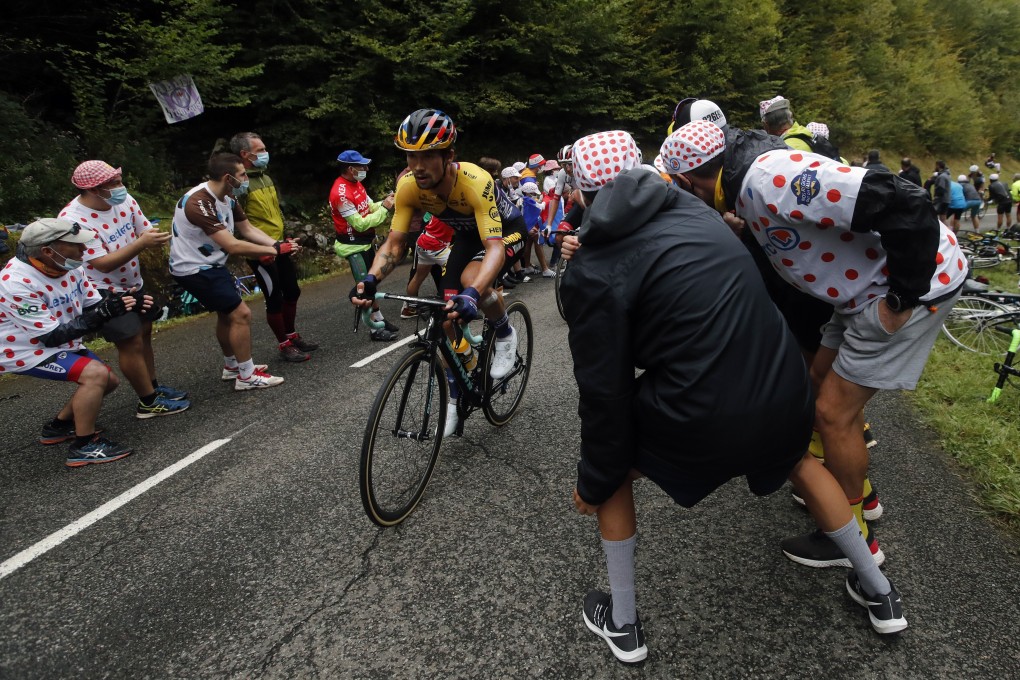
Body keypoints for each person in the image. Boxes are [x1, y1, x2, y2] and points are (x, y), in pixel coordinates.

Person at [564, 131, 908, 666]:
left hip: (703, 410)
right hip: (782, 385)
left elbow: (603, 391)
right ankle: (880, 591)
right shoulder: (697, 211)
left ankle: (624, 623)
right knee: (797, 458)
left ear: (581, 193)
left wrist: (596, 474)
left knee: (612, 466)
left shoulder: (591, 268)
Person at [664, 120, 967, 569]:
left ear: (688, 180)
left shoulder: (769, 179)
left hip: (902, 290)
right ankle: (861, 500)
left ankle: (847, 539)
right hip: (859, 293)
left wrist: (900, 298)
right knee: (815, 383)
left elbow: (903, 199)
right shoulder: (743, 184)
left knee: (832, 413)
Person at [349, 109, 526, 436]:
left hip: (505, 232)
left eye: (428, 155)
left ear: (449, 156)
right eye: (411, 156)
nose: (418, 165)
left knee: (473, 284)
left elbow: (495, 247)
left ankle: (504, 333)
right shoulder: (408, 186)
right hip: (467, 236)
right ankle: (458, 393)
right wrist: (370, 280)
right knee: (445, 319)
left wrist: (472, 295)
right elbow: (395, 242)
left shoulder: (474, 181)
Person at [1, 218, 150, 466]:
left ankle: (59, 426)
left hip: (57, 341)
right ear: (49, 250)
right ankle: (84, 446)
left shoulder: (68, 266)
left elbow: (94, 304)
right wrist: (102, 314)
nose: (84, 250)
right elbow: (51, 336)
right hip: (24, 349)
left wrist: (131, 303)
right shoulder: (15, 283)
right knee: (95, 376)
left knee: (109, 382)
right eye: (77, 245)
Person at [58, 160, 190, 419]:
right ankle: (148, 402)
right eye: (114, 184)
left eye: (119, 181)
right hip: (101, 291)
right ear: (94, 190)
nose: (122, 187)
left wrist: (154, 239)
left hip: (133, 281)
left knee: (144, 333)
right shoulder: (72, 220)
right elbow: (101, 264)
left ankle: (153, 386)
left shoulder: (124, 200)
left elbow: (144, 230)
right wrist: (142, 243)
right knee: (129, 341)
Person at [169, 152, 292, 390]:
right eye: (242, 174)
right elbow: (232, 244)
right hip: (193, 268)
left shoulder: (228, 197)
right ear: (228, 177)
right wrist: (274, 250)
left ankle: (232, 366)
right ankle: (246, 376)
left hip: (211, 265)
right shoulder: (199, 203)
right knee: (241, 314)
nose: (246, 178)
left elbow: (247, 229)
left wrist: (275, 245)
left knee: (227, 315)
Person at [230, 132, 318, 362]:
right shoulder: (240, 183)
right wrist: (258, 251)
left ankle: (292, 335)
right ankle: (284, 344)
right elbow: (239, 223)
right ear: (244, 154)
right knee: (274, 297)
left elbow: (274, 211)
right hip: (261, 250)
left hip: (279, 245)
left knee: (292, 291)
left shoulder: (265, 177)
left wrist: (284, 235)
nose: (265, 154)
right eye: (260, 150)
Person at [329, 149, 400, 342]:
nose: (366, 168)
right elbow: (359, 223)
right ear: (351, 169)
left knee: (372, 282)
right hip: (353, 247)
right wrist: (385, 208)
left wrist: (387, 201)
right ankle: (375, 329)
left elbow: (370, 207)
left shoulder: (357, 183)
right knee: (364, 287)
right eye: (362, 166)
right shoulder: (340, 193)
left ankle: (379, 319)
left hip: (366, 242)